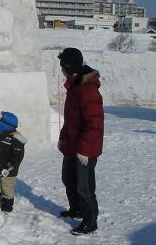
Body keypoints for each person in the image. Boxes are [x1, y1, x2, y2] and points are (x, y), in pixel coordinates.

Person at [57, 47, 104, 236]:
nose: (61, 71)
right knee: (68, 179)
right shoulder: (74, 86)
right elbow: (71, 120)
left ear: (69, 67)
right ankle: (75, 209)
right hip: (71, 145)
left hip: (86, 149)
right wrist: (62, 138)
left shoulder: (88, 91)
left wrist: (84, 150)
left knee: (84, 187)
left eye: (62, 67)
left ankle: (90, 221)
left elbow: (95, 124)